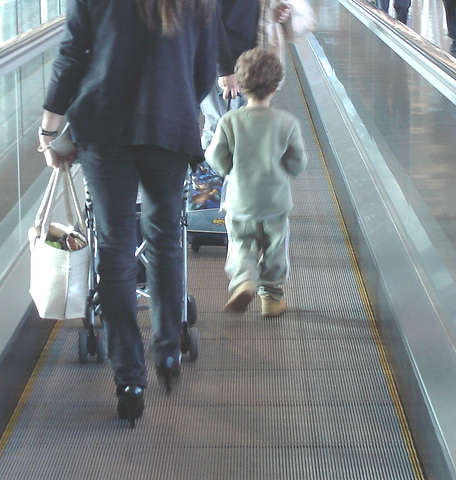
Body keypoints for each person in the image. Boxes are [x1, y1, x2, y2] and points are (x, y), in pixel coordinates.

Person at [38, 0, 218, 428]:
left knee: (116, 249)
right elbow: (205, 68)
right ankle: (168, 350)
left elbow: (72, 54)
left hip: (104, 130)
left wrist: (49, 128)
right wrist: (173, 103)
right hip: (169, 129)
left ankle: (129, 380)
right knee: (164, 240)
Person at [205, 48, 307, 317]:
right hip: (275, 202)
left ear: (240, 84)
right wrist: (287, 169)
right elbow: (298, 162)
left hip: (240, 201)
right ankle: (271, 299)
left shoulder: (230, 121)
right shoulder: (287, 122)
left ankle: (244, 280)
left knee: (241, 243)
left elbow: (215, 157)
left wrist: (229, 168)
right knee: (276, 248)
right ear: (275, 86)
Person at [201, 0, 295, 150]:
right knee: (219, 125)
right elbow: (209, 21)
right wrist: (225, 69)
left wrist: (279, 13)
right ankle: (206, 170)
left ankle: (232, 171)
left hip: (250, 61)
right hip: (222, 62)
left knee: (242, 125)